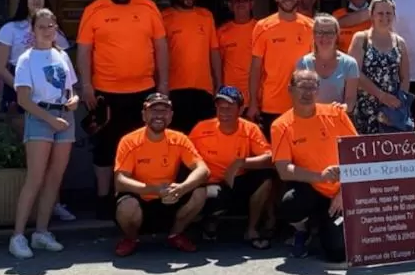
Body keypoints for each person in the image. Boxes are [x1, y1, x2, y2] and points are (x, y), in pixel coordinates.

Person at [77, 0, 169, 219]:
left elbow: (161, 46)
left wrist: (163, 85)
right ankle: (104, 198)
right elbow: (84, 50)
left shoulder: (148, 7)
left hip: (144, 90)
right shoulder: (94, 10)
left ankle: (136, 196)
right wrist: (86, 85)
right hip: (105, 92)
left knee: (141, 146)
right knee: (105, 147)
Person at [0, 0, 76, 222]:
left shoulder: (56, 35)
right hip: (21, 89)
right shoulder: (10, 29)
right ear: (23, 0)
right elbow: (0, 66)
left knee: (56, 161)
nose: (36, 1)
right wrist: (24, 87)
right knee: (34, 156)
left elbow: (65, 73)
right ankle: (22, 219)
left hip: (54, 94)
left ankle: (53, 204)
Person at [7, 9, 79, 259]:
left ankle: (41, 231)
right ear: (33, 30)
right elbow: (24, 100)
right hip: (41, 117)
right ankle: (17, 235)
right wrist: (50, 119)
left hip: (65, 117)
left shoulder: (62, 56)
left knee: (54, 177)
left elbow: (72, 91)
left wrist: (73, 102)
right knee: (35, 177)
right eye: (42, 27)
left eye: (51, 26)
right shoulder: (26, 59)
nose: (47, 31)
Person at [271, 69, 359, 262]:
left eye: (312, 87)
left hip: (339, 194)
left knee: (337, 254)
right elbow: (284, 171)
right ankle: (302, 231)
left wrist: (345, 191)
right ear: (290, 89)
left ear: (318, 90)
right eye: (302, 86)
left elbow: (358, 154)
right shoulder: (281, 125)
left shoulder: (336, 113)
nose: (307, 93)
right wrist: (320, 177)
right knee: (289, 203)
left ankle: (322, 227)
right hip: (311, 189)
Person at [113, 93, 210, 257]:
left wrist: (182, 188)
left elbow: (203, 170)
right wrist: (153, 190)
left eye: (164, 111)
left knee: (200, 191)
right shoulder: (129, 141)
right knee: (126, 206)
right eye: (153, 111)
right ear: (144, 115)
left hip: (170, 198)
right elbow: (120, 180)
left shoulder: (179, 139)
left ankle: (176, 234)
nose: (159, 115)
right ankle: (131, 239)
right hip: (141, 199)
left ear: (171, 116)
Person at [189, 87, 276, 248]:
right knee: (209, 197)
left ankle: (252, 229)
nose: (224, 110)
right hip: (211, 182)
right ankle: (209, 225)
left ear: (241, 109)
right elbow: (186, 155)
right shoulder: (201, 128)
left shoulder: (250, 129)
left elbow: (270, 158)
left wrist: (241, 162)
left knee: (265, 178)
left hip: (238, 179)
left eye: (230, 106)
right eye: (220, 106)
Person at [248, 0, 314, 139]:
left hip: (303, 102)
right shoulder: (262, 26)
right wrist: (253, 103)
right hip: (272, 103)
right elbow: (256, 68)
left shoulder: (311, 26)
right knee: (274, 158)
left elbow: (316, 66)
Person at [161, 0, 222, 135]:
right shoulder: (164, 18)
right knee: (178, 136)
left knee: (204, 137)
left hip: (204, 89)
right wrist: (161, 85)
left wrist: (219, 83)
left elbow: (214, 51)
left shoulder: (206, 16)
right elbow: (158, 54)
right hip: (174, 88)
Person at [348, 0, 409, 135]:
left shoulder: (400, 42)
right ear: (372, 15)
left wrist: (399, 103)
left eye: (389, 13)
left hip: (392, 109)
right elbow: (354, 73)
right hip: (366, 108)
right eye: (380, 13)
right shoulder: (360, 39)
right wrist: (381, 95)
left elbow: (405, 77)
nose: (385, 17)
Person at [295, 14, 360, 111]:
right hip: (310, 119)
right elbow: (298, 98)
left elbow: (350, 100)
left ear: (337, 35)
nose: (324, 37)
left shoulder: (350, 64)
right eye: (320, 32)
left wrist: (343, 107)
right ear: (313, 35)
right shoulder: (303, 63)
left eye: (329, 33)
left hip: (338, 119)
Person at [216, 0, 257, 96]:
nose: (241, 3)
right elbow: (216, 65)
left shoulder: (261, 29)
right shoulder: (221, 32)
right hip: (230, 95)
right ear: (230, 5)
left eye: (245, 0)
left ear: (251, 4)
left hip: (256, 94)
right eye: (236, 0)